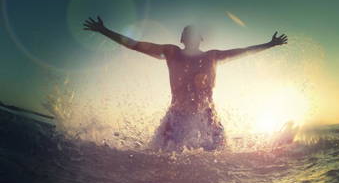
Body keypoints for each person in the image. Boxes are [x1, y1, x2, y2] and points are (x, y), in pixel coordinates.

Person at [83, 17, 288, 151]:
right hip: (176, 116)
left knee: (222, 158)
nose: (190, 37)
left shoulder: (212, 56)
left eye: (193, 34)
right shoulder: (172, 53)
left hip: (208, 117)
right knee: (158, 158)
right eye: (186, 34)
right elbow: (136, 45)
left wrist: (269, 44)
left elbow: (242, 51)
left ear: (200, 39)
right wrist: (104, 30)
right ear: (181, 38)